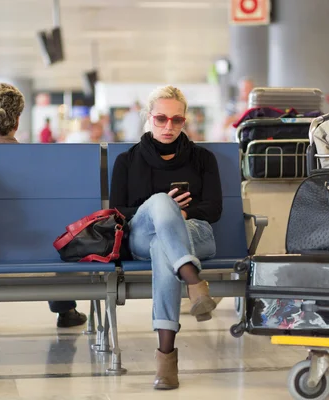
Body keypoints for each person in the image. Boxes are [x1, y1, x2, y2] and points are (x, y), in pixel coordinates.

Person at [109, 85, 222, 390]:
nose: (168, 126)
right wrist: (163, 209)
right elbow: (118, 211)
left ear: (185, 120)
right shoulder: (127, 161)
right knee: (161, 202)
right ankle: (193, 281)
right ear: (148, 117)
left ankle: (166, 359)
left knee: (165, 244)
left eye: (176, 120)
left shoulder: (203, 159)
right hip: (140, 237)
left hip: (197, 234)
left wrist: (180, 214)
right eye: (161, 118)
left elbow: (214, 209)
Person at [0, 82, 87, 330]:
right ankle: (65, 309)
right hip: (39, 244)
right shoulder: (41, 160)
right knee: (57, 229)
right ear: (17, 121)